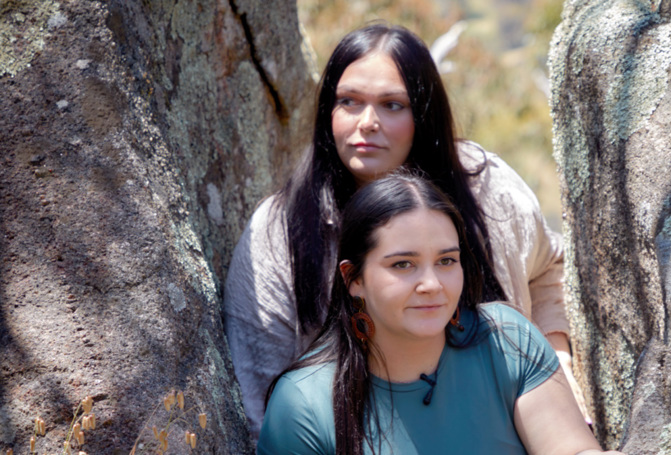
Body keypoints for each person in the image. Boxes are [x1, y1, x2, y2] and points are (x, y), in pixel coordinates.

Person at [223, 22, 583, 442]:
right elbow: (257, 396)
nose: (368, 122)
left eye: (392, 105)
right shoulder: (283, 230)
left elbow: (546, 267)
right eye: (349, 102)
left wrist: (557, 364)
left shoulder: (486, 189)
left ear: (423, 113)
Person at [258, 173, 620, 455]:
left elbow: (570, 448)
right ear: (353, 279)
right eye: (403, 264)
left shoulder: (508, 340)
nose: (431, 284)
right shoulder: (303, 404)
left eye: (446, 260)